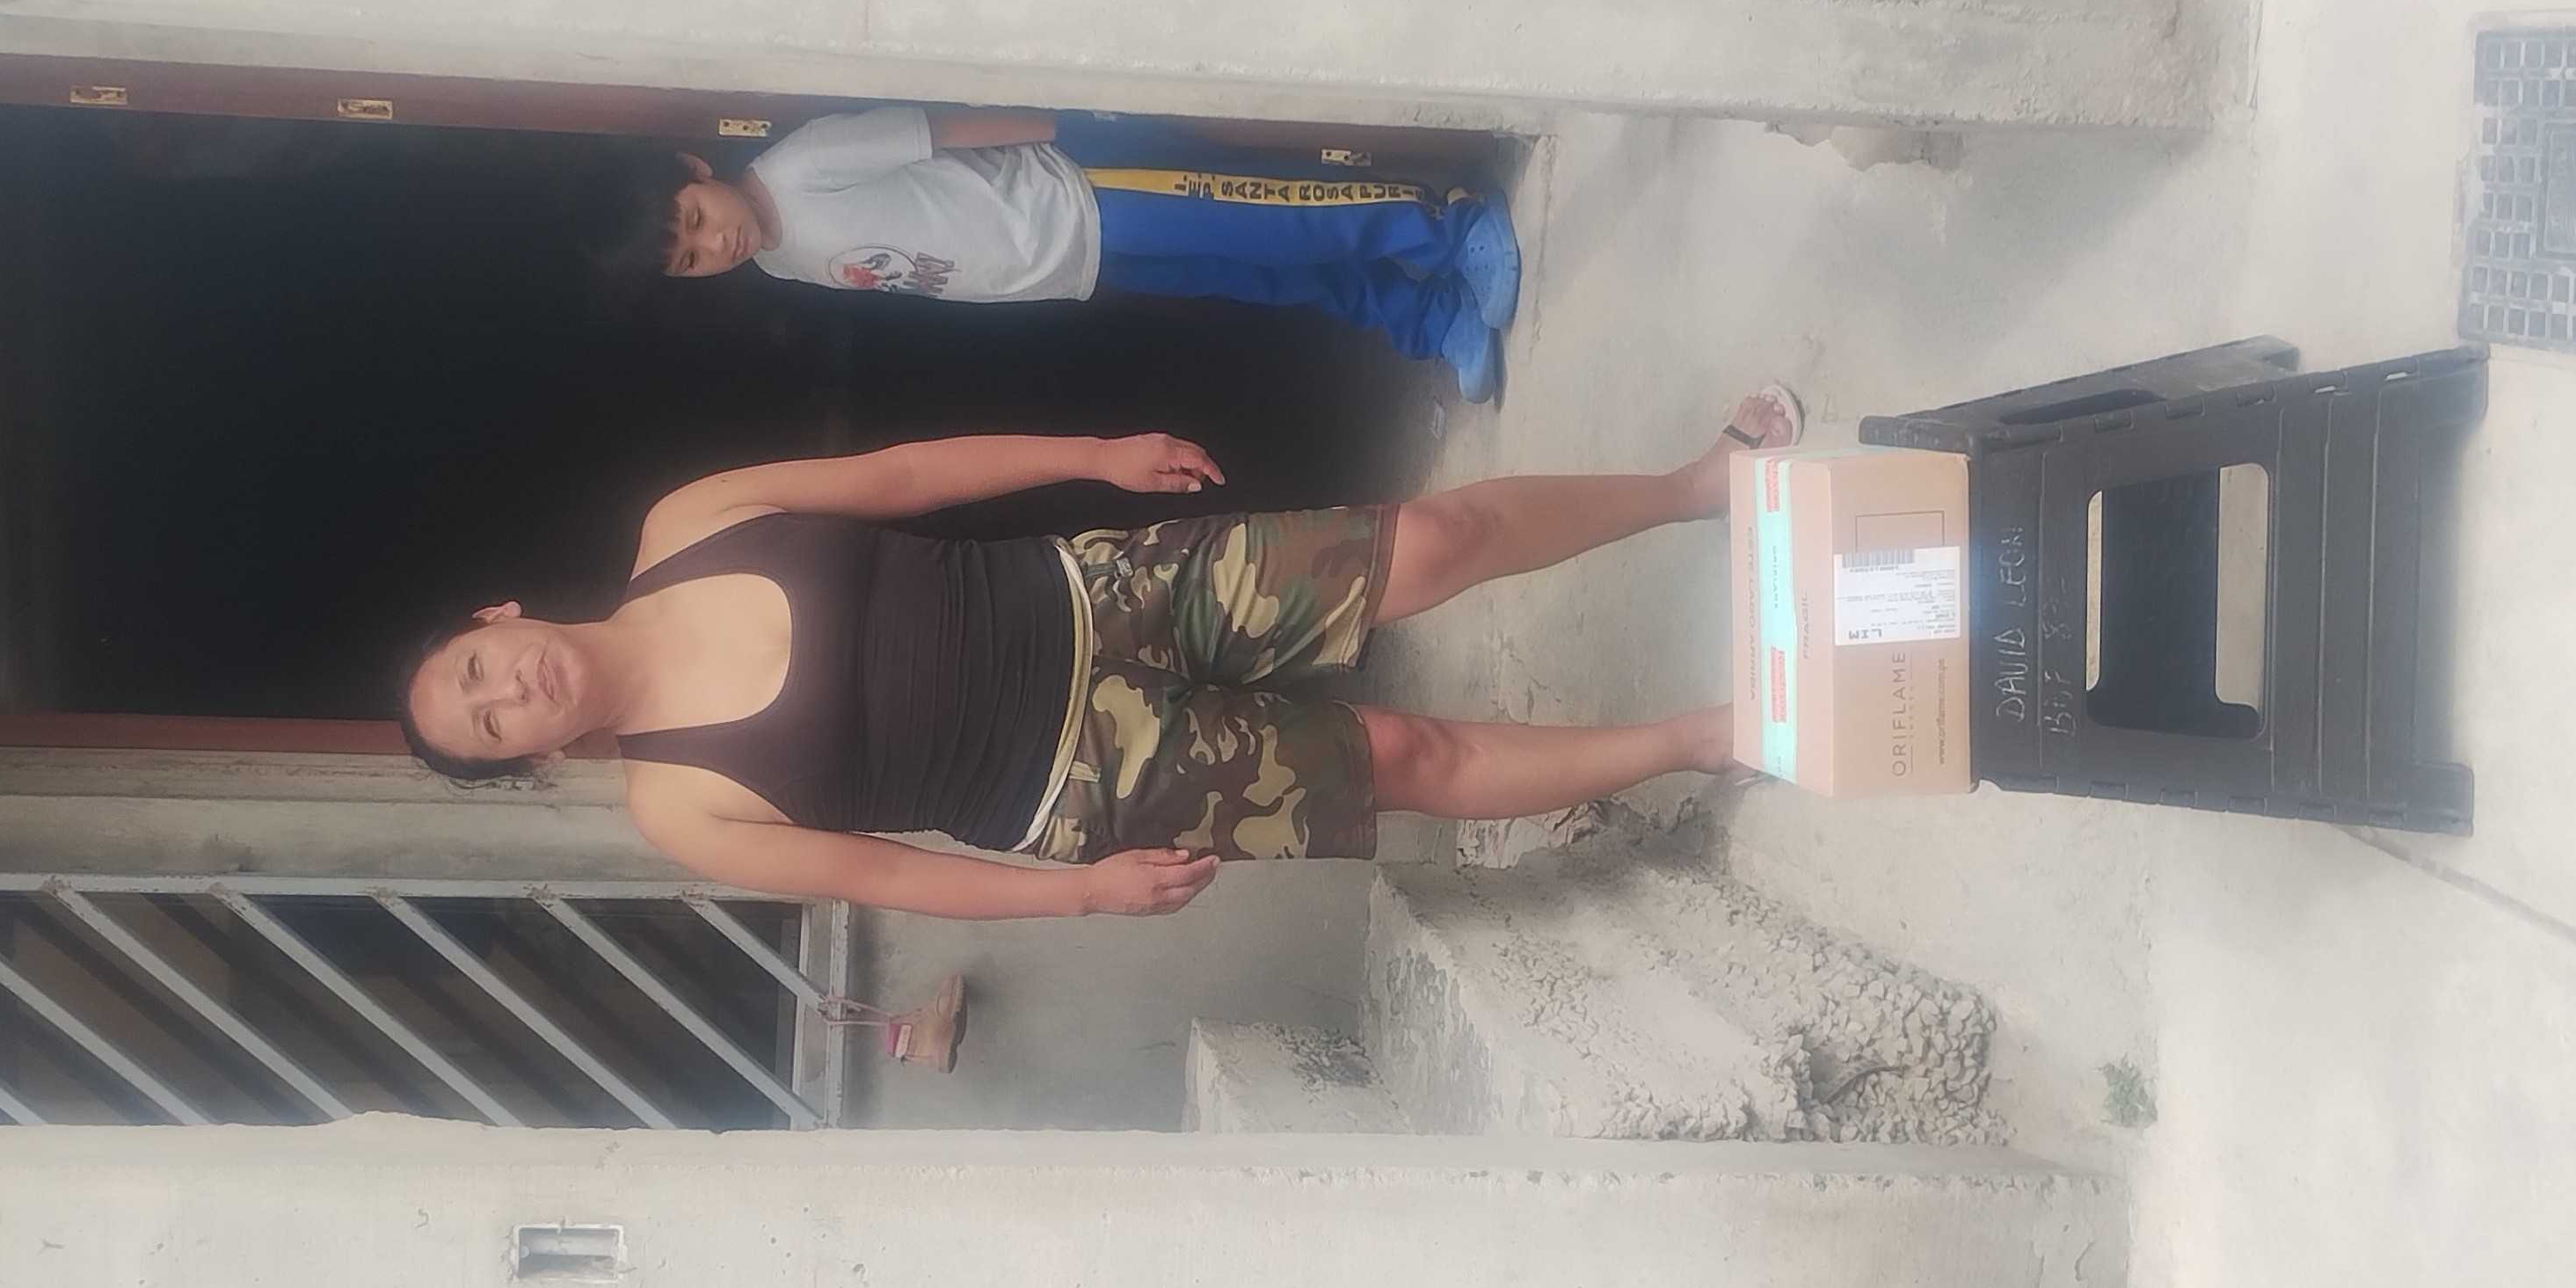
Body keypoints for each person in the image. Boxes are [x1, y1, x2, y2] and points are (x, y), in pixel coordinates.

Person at [395, 387, 1802, 922]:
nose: (508, 695)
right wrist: (1077, 897)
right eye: (492, 729)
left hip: (1097, 590)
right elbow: (885, 875)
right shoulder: (678, 805)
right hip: (1084, 781)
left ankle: (1698, 486)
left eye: (477, 674)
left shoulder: (687, 524)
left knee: (1431, 539)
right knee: (1407, 758)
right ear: (534, 760)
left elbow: (898, 476)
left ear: (498, 620)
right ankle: (1706, 737)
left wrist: (1093, 453)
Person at [586, 106, 1522, 402]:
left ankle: (1450, 228)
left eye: (695, 219)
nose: (715, 244)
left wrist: (1066, 125)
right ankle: (1427, 314)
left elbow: (939, 130)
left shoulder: (802, 163)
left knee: (1275, 219)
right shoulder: (779, 264)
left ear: (696, 170)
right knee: (1266, 277)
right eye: (692, 260)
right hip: (1077, 264)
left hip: (1081, 190)